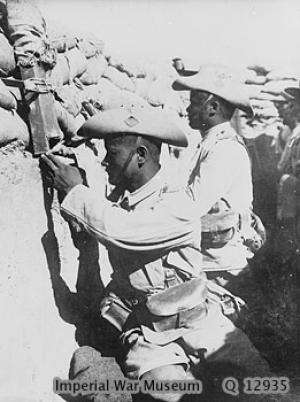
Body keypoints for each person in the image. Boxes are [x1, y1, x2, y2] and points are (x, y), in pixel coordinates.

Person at [41, 107, 270, 402]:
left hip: (201, 324)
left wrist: (75, 191)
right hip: (149, 336)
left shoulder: (178, 201)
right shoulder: (119, 200)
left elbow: (124, 231)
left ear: (140, 155)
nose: (105, 161)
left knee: (263, 388)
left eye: (112, 153)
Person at [172, 64, 265, 294]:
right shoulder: (209, 143)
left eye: (194, 102)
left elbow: (192, 204)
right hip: (213, 263)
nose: (187, 109)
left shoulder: (224, 149)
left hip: (222, 270)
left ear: (212, 107)